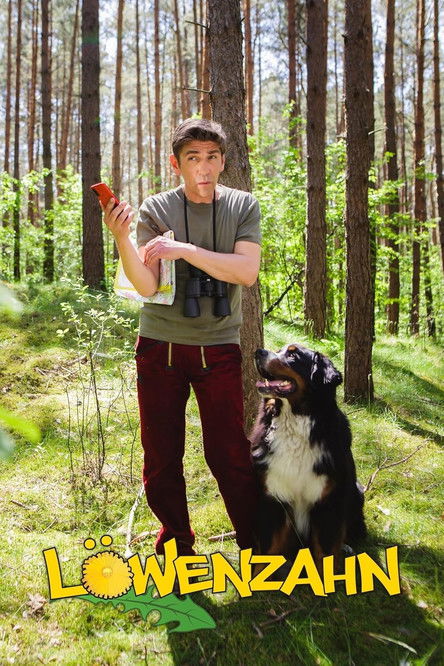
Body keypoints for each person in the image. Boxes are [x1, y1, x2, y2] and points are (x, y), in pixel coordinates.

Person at [102, 118, 261, 556]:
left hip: (219, 347)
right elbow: (147, 285)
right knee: (161, 456)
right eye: (193, 158)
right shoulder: (157, 208)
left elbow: (246, 272)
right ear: (176, 164)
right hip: (160, 346)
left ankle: (257, 545)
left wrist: (186, 251)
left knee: (228, 453)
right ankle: (176, 544)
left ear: (223, 161)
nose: (203, 167)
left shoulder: (242, 206)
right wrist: (122, 239)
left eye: (212, 157)